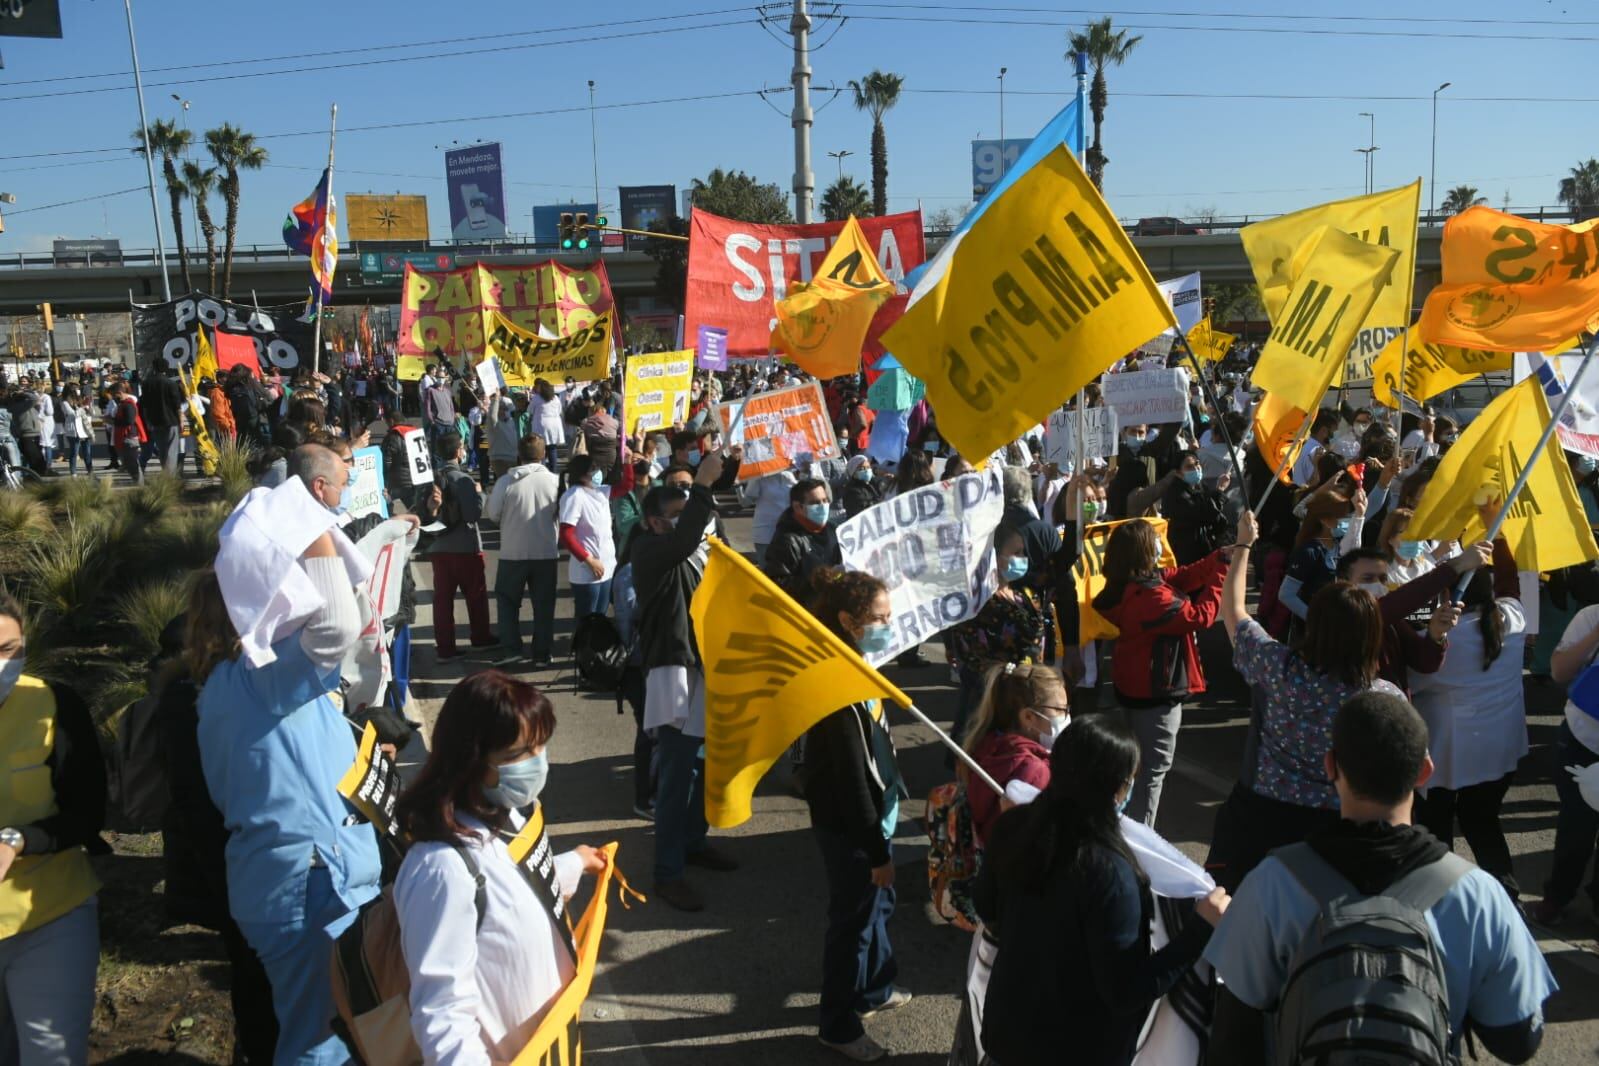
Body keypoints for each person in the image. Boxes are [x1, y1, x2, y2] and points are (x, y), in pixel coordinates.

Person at [1206, 690, 1555, 1065]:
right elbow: (1519, 1041)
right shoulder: (1477, 893)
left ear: (1330, 766)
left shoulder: (1273, 882)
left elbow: (1232, 1041)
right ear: (1424, 771)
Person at [194, 524, 383, 1065]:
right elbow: (338, 625)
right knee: (321, 1042)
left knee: (328, 1031)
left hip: (293, 884)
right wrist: (308, 525)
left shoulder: (232, 686)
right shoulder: (260, 679)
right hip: (310, 887)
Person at [974, 714, 1230, 1066]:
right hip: (1079, 1049)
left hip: (1007, 1034)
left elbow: (986, 908)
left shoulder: (1014, 826)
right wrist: (1200, 927)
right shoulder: (1110, 873)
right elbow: (1126, 991)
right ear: (1117, 787)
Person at [393, 671, 608, 1063]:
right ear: (471, 761)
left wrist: (575, 863)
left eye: (540, 746)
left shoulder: (505, 817)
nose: (536, 763)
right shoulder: (440, 870)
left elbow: (510, 897)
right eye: (517, 754)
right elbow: (443, 1018)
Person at [1208, 510, 1422, 891]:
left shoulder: (1279, 667)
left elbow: (1234, 611)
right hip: (1341, 829)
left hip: (1262, 820)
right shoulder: (1383, 699)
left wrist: (1243, 545)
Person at [802, 569, 911, 1062]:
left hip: (874, 816)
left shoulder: (860, 663)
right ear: (847, 620)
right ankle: (838, 1024)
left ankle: (874, 988)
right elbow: (851, 780)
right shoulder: (838, 682)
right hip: (852, 827)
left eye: (889, 616)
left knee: (877, 909)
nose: (887, 626)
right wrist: (876, 850)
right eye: (878, 618)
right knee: (851, 923)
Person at [0, 591, 107, 1066]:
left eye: (9, 650)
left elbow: (86, 815)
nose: (1, 665)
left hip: (50, 917)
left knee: (51, 1054)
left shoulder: (54, 705)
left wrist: (19, 840)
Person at [632, 453, 741, 912]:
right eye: (676, 517)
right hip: (673, 671)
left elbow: (706, 530)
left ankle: (693, 841)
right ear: (656, 523)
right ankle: (667, 872)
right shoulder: (649, 550)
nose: (690, 525)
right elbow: (685, 541)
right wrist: (701, 484)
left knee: (702, 764)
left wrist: (724, 473)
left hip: (705, 667)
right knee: (677, 773)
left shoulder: (701, 549)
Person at [1091, 518, 1227, 826]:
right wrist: (1220, 574)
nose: (1158, 546)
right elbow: (1200, 616)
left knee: (1133, 766)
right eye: (1153, 542)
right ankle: (1142, 838)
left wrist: (1217, 559)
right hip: (1156, 693)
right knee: (1153, 771)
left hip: (1133, 686)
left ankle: (1126, 825)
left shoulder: (1129, 584)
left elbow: (1181, 576)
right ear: (1143, 552)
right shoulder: (1151, 598)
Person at [1409, 546, 1526, 901]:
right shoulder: (1513, 617)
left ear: (1449, 595)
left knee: (1435, 829)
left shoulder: (1444, 640)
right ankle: (1507, 898)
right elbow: (1515, 587)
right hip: (1498, 747)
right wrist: (1504, 544)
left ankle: (1441, 901)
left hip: (1448, 752)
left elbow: (1415, 680)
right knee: (1483, 822)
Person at [944, 524, 1048, 754]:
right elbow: (970, 658)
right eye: (1016, 552)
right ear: (994, 555)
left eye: (1024, 553)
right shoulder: (975, 604)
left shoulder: (1025, 595)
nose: (1022, 558)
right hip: (991, 707)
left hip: (1025, 697)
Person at [1533, 596, 1599, 924]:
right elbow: (1559, 671)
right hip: (1582, 739)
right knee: (1576, 826)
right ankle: (1557, 898)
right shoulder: (1590, 616)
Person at [961, 662, 1068, 846]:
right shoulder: (1035, 771)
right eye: (1060, 710)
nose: (1066, 716)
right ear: (1028, 717)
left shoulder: (987, 743)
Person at [418, 431, 498, 660]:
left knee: (442, 600)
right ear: (457, 451)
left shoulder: (430, 478)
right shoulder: (463, 480)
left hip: (437, 546)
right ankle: (480, 636)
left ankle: (445, 647)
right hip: (464, 546)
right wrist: (480, 496)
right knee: (476, 595)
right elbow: (472, 515)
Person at [487, 433, 561, 668]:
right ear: (544, 455)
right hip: (546, 552)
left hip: (513, 552)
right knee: (544, 605)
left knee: (508, 602)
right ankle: (542, 652)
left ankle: (512, 648)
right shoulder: (556, 482)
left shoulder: (505, 482)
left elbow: (493, 515)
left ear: (519, 455)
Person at [558, 453, 620, 621]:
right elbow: (566, 534)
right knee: (587, 619)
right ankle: (581, 647)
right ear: (584, 473)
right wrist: (589, 560)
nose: (598, 472)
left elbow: (626, 485)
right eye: (594, 468)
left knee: (600, 617)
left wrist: (627, 461)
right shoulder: (574, 496)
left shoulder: (601, 491)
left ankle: (594, 647)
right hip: (587, 571)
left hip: (607, 566)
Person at [763, 477, 843, 601]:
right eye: (815, 503)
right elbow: (779, 585)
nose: (823, 506)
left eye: (825, 500)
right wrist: (819, 581)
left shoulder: (833, 530)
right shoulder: (787, 541)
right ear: (798, 507)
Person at [1159, 452, 1232, 565]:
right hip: (1186, 554)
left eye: (1197, 464)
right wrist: (1219, 491)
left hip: (1202, 549)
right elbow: (1205, 514)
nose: (1196, 469)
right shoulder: (1175, 494)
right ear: (1178, 473)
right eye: (1189, 467)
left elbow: (1216, 518)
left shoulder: (1200, 487)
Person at [142, 364, 186, 475]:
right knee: (171, 449)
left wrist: (148, 421)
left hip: (155, 421)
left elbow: (145, 405)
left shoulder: (147, 384)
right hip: (171, 421)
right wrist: (181, 421)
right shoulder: (171, 384)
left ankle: (165, 471)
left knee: (162, 449)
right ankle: (170, 476)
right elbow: (177, 405)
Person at [109, 381, 148, 485]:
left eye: (114, 395)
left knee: (133, 463)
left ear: (119, 392)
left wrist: (112, 421)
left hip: (129, 437)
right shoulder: (123, 404)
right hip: (125, 437)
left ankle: (140, 486)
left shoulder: (128, 405)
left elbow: (129, 421)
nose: (113, 397)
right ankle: (138, 484)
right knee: (129, 463)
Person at [527, 379, 566, 468]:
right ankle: (553, 471)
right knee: (552, 449)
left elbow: (529, 410)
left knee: (540, 449)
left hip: (541, 426)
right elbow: (560, 411)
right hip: (554, 426)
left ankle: (542, 469)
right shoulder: (555, 398)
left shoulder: (537, 398)